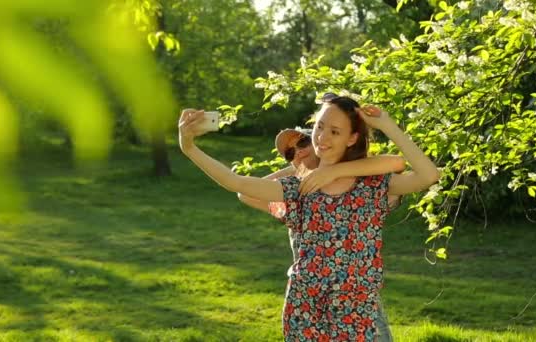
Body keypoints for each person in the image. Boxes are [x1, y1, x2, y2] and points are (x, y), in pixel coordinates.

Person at [178, 93, 440, 341]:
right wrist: (188, 147)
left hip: (357, 309)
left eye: (335, 131)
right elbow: (236, 184)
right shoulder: (299, 188)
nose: (322, 137)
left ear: (352, 138)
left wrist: (387, 125)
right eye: (320, 126)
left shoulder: (372, 185)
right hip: (305, 309)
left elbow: (428, 175)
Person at [237, 127, 404, 342]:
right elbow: (245, 193)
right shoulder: (296, 197)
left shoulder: (361, 185)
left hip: (357, 301)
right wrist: (300, 171)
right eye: (290, 153)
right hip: (310, 302)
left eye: (303, 142)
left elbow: (397, 165)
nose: (297, 151)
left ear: (321, 144)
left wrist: (336, 169)